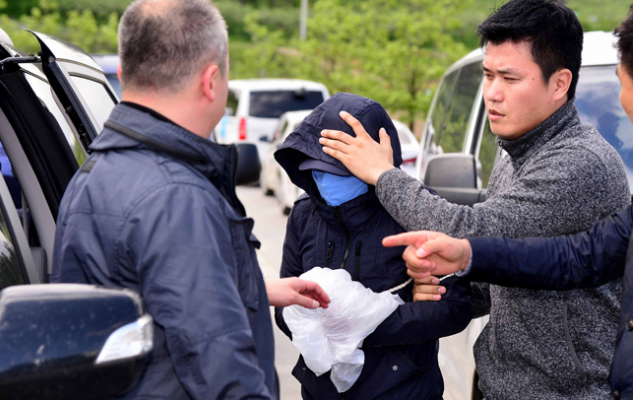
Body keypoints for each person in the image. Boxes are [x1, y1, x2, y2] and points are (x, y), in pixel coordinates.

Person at [318, 0, 631, 398]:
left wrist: (383, 174)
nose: (492, 94)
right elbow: (495, 275)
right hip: (500, 384)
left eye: (510, 79)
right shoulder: (514, 151)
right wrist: (434, 283)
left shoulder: (579, 163)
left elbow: (472, 233)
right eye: (488, 75)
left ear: (559, 83)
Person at [50, 1, 329, 399]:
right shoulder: (176, 198)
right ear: (211, 81)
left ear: (125, 72)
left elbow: (143, 293)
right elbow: (224, 375)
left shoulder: (93, 174)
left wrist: (250, 286)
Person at [273, 93, 471, 400]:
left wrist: (363, 326)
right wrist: (314, 323)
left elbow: (456, 308)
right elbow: (286, 300)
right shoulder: (304, 213)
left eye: (339, 171)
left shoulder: (417, 210)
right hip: (321, 390)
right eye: (317, 168)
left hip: (403, 390)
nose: (325, 179)